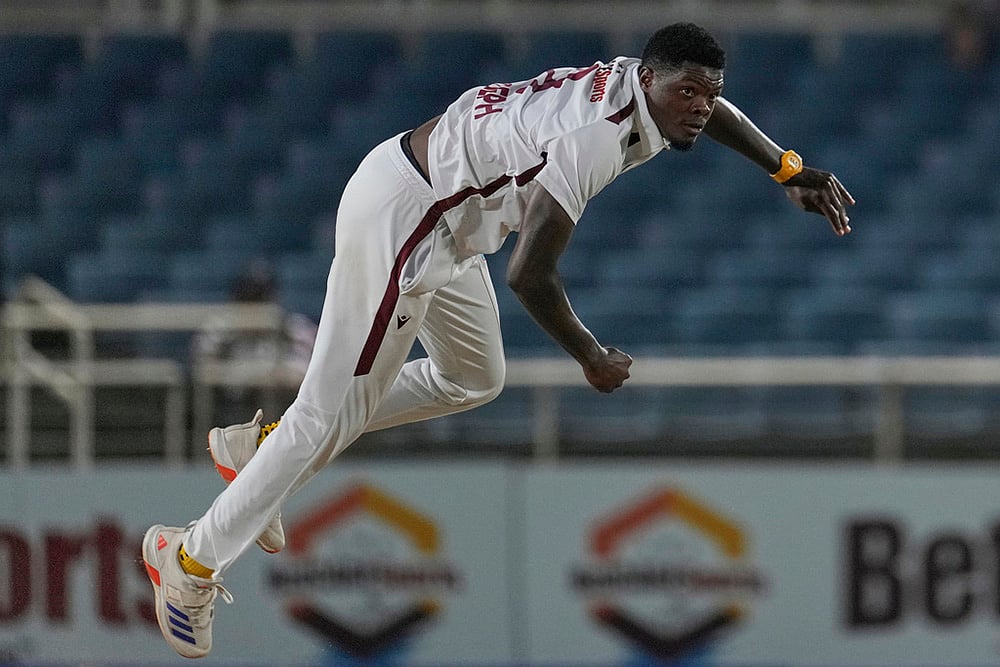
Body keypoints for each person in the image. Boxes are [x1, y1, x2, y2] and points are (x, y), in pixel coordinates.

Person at [141, 22, 854, 658]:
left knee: (474, 376)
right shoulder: (594, 137)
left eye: (708, 92)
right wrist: (590, 354)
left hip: (450, 216)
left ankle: (261, 450)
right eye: (687, 91)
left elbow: (716, 112)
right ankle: (191, 560)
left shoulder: (642, 90)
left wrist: (788, 169)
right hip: (408, 219)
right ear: (646, 78)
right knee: (328, 415)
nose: (699, 104)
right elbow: (530, 273)